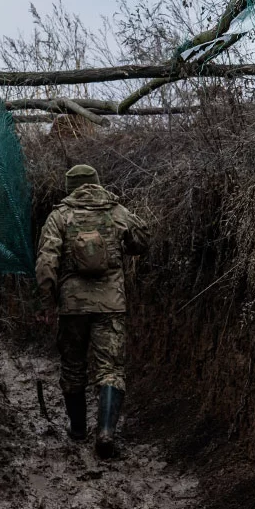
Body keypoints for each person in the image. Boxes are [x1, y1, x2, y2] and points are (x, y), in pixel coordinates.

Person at [35, 164, 149, 458]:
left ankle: (77, 429)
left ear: (70, 186)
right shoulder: (117, 211)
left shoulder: (60, 216)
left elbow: (47, 263)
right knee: (110, 369)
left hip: (72, 307)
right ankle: (106, 433)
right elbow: (141, 242)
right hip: (111, 304)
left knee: (73, 366)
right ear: (96, 183)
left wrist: (47, 303)